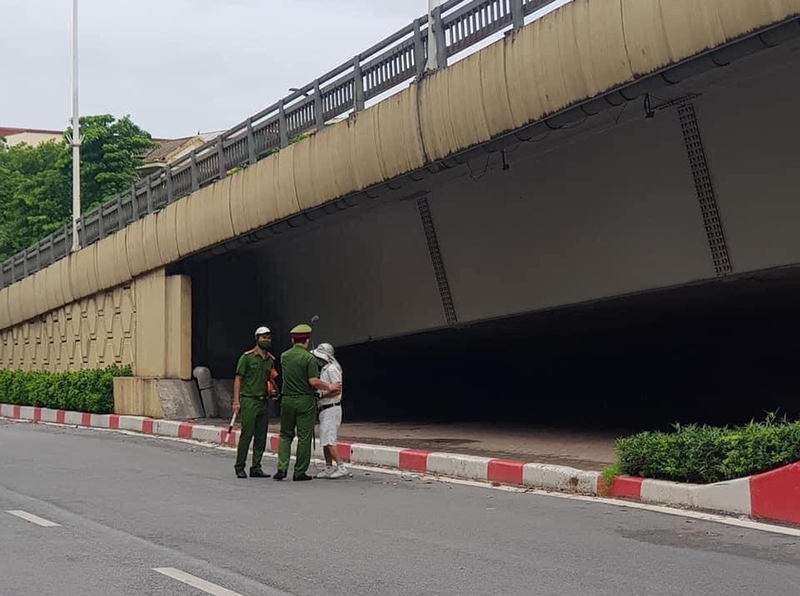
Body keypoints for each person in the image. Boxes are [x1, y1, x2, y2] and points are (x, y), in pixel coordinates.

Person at [274, 324, 340, 481]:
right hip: (305, 400)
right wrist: (329, 386)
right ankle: (299, 472)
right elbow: (313, 381)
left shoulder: (284, 356)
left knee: (285, 435)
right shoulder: (309, 358)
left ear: (292, 340)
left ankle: (281, 469)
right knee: (304, 437)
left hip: (287, 399)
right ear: (307, 340)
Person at [233, 326, 278, 479]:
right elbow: (238, 379)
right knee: (246, 435)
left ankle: (256, 467)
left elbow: (271, 379)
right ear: (257, 339)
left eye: (269, 337)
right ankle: (240, 466)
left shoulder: (270, 360)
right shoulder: (247, 357)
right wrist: (236, 401)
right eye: (264, 337)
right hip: (249, 400)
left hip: (263, 401)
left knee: (261, 436)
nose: (267, 340)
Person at [311, 343, 347, 479]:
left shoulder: (332, 369)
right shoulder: (325, 369)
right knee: (325, 440)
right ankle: (328, 467)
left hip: (331, 407)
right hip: (324, 409)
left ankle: (341, 467)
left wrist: (321, 395)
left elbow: (337, 389)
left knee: (330, 440)